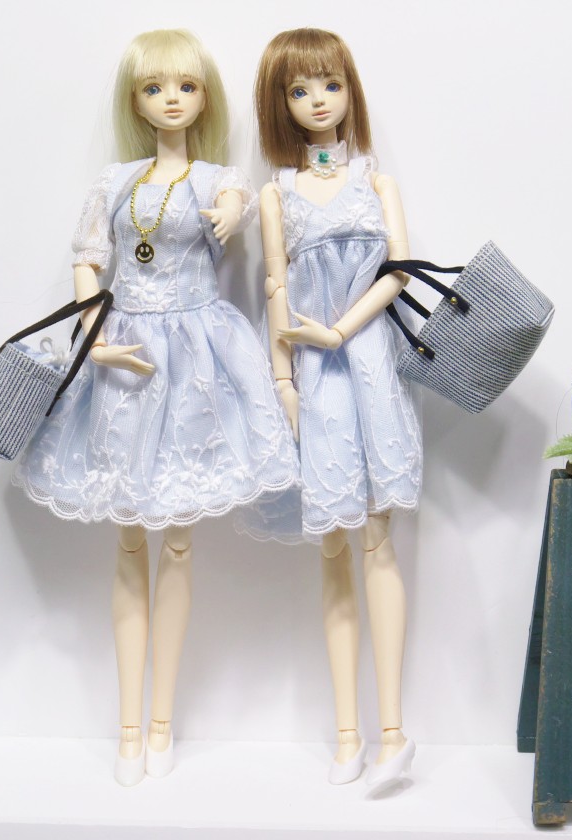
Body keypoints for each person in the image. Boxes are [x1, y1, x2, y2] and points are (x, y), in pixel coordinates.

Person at [13, 28, 298, 785]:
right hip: (127, 364)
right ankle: (129, 728)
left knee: (177, 542)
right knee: (129, 542)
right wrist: (95, 338)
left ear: (205, 97)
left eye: (186, 86)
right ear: (135, 101)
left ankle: (163, 723)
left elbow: (235, 204)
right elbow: (88, 261)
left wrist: (230, 210)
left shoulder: (217, 179)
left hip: (197, 362)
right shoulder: (113, 183)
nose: (172, 99)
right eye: (154, 87)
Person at [252, 27, 421, 787]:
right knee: (331, 543)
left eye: (331, 84)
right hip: (312, 380)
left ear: (350, 91)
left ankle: (394, 733)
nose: (318, 100)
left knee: (377, 538)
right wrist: (283, 383)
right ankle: (346, 734)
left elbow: (399, 271)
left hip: (370, 364)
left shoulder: (374, 182)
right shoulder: (276, 194)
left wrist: (341, 330)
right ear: (280, 103)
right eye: (300, 89)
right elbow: (274, 285)